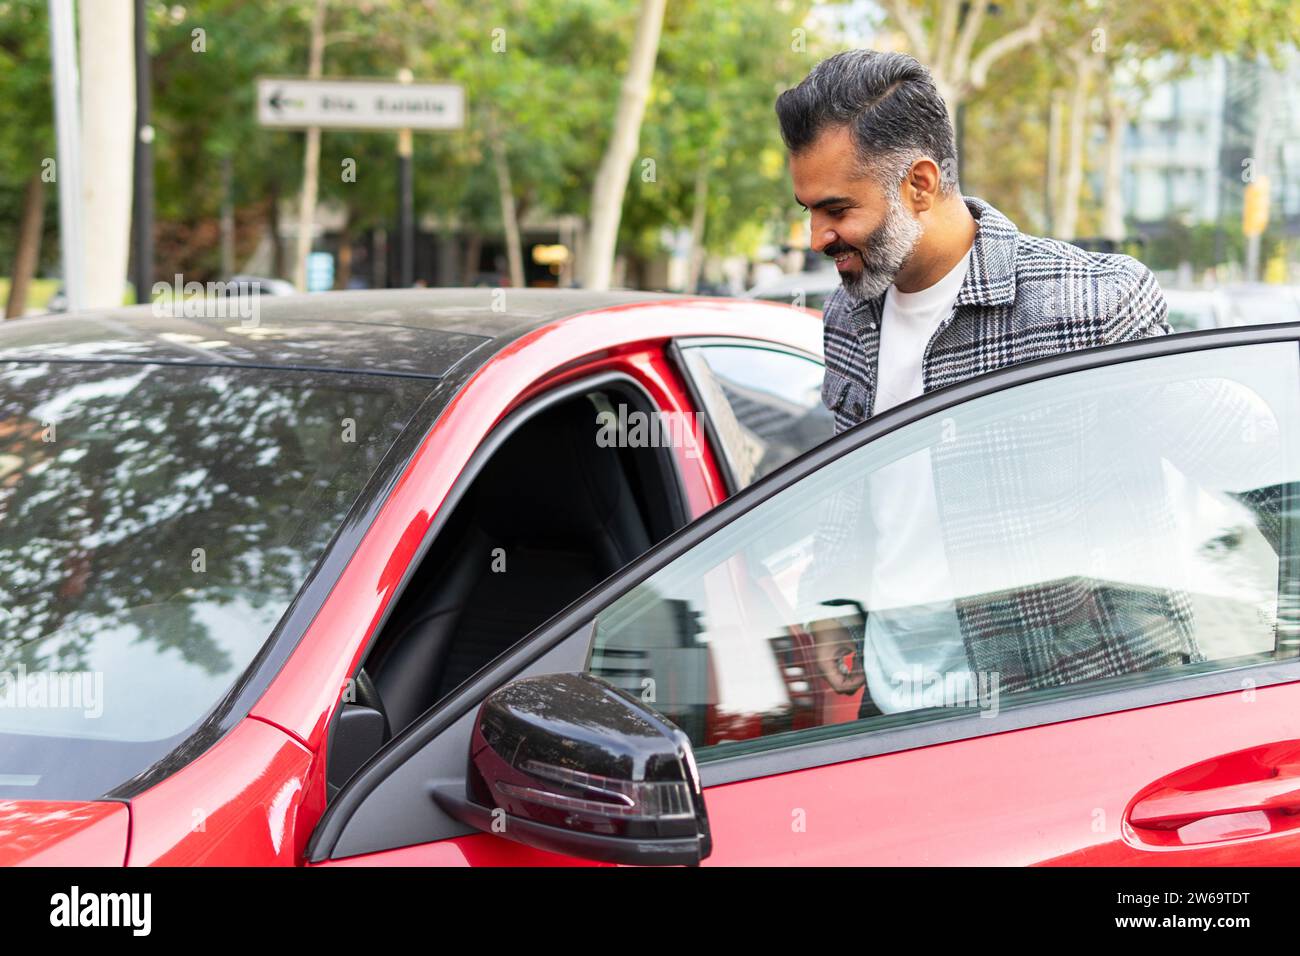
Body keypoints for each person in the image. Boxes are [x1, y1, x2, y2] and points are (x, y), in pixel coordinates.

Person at [773, 49, 1282, 718]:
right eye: (808, 209)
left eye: (836, 208)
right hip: (894, 712)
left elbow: (1254, 463)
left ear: (920, 185)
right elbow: (857, 482)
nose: (815, 236)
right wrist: (833, 598)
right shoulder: (847, 313)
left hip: (1066, 716)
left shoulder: (1087, 305)